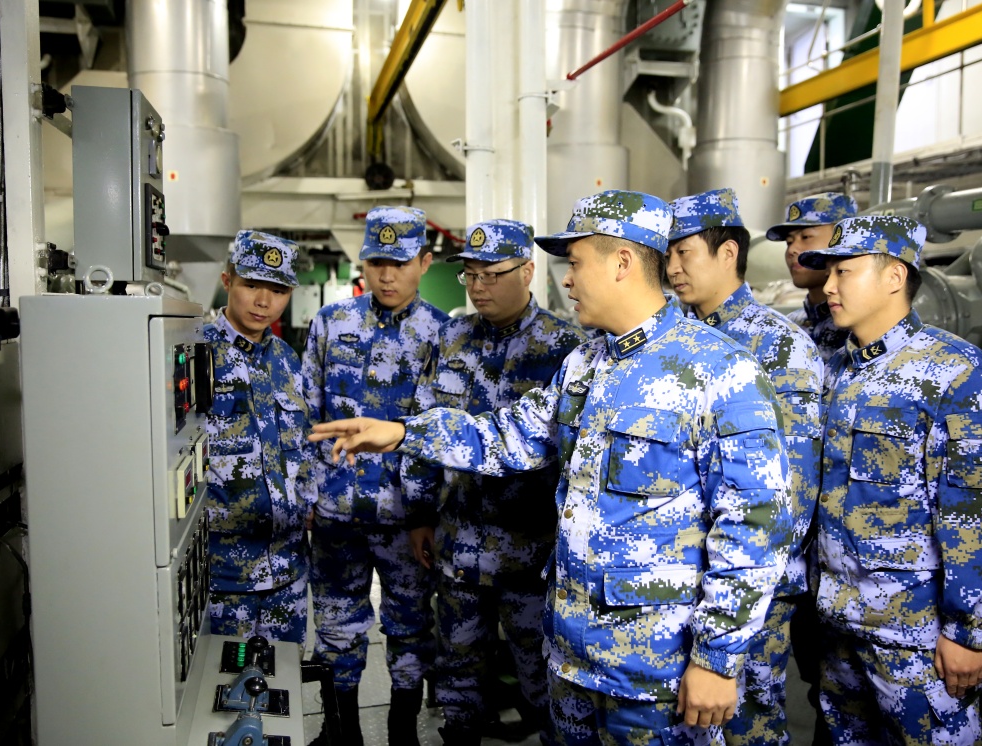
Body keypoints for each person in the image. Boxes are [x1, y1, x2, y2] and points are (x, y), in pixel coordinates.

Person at [309, 190, 793, 746]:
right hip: (571, 658)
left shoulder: (721, 370)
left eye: (576, 263)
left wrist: (716, 658)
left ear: (622, 262)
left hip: (654, 671)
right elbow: (508, 436)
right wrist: (401, 432)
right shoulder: (586, 364)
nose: (567, 279)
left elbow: (756, 524)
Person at [797, 216, 982, 745]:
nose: (828, 287)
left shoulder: (954, 370)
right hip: (839, 620)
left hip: (914, 634)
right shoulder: (839, 369)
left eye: (844, 271)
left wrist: (967, 630)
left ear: (894, 276)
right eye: (828, 273)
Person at [403, 219, 586, 745]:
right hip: (458, 545)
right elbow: (424, 424)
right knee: (458, 674)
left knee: (542, 678)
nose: (478, 287)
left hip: (530, 553)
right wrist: (418, 513)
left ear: (527, 271)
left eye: (492, 274)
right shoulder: (451, 338)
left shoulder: (565, 347)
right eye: (470, 276)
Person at [667, 188, 823, 746]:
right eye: (667, 254)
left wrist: (740, 587)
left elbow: (789, 494)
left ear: (728, 252)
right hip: (675, 580)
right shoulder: (671, 341)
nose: (673, 268)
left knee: (746, 726)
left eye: (684, 252)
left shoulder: (779, 347)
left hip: (749, 589)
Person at [302, 206, 448, 746]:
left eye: (400, 263)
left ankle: (401, 732)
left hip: (405, 518)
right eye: (377, 262)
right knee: (336, 626)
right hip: (336, 512)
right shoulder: (330, 323)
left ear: (424, 262)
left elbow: (437, 432)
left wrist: (424, 513)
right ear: (362, 262)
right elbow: (306, 413)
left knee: (409, 628)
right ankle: (341, 731)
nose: (387, 276)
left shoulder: (443, 333)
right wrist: (308, 492)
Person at [205, 229, 316, 646]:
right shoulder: (197, 353)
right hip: (225, 573)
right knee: (220, 680)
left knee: (282, 676)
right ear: (228, 280)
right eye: (252, 285)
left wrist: (308, 497)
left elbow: (303, 442)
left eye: (279, 290)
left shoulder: (286, 360)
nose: (264, 301)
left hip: (288, 569)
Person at [766, 193, 857, 362]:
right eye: (789, 242)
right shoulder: (788, 327)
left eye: (806, 237)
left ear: (843, 240)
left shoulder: (860, 329)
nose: (792, 249)